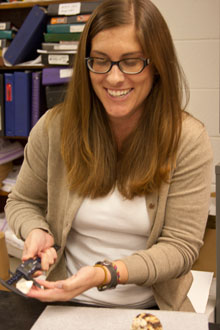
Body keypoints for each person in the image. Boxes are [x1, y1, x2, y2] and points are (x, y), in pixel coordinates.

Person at [5, 0, 213, 312]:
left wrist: (105, 274)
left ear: (157, 65)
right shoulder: (55, 127)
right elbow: (22, 202)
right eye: (100, 61)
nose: (114, 79)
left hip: (148, 308)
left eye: (131, 62)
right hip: (64, 301)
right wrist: (36, 230)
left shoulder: (187, 139)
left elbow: (179, 248)